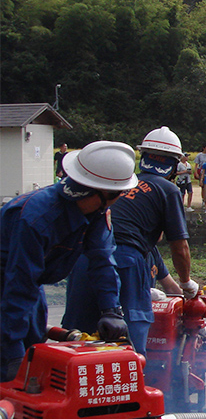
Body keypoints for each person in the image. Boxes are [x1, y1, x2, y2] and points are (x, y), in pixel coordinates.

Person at [1, 140, 139, 382]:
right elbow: (19, 283)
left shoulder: (97, 213)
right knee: (11, 363)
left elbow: (102, 261)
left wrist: (111, 310)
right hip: (11, 281)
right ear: (103, 193)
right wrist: (12, 352)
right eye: (119, 194)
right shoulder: (37, 218)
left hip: (29, 284)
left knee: (35, 349)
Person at [62, 126, 198, 357]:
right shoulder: (167, 190)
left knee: (76, 336)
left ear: (142, 156)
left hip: (84, 260)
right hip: (126, 262)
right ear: (174, 165)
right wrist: (186, 283)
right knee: (130, 340)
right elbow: (179, 246)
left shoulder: (118, 185)